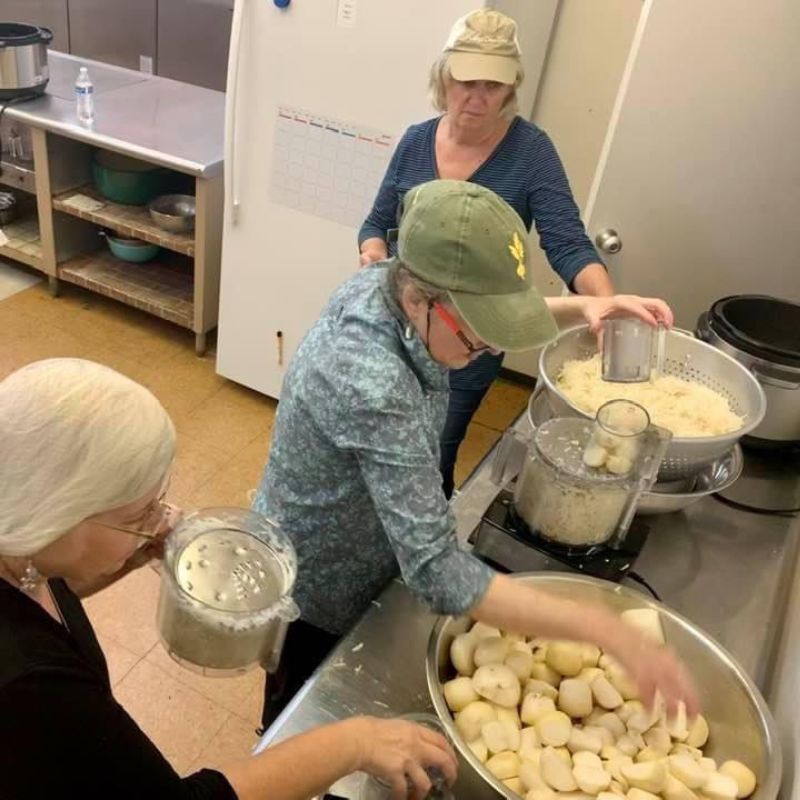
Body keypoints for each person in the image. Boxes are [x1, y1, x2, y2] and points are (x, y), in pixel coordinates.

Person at [255, 179, 689, 731]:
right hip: (321, 573)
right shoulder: (370, 378)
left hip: (376, 537)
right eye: (479, 337)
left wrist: (590, 306)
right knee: (301, 708)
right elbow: (436, 572)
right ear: (418, 299)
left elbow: (486, 312)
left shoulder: (394, 280)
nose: (492, 349)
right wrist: (606, 630)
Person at [0, 358, 457, 800]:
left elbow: (43, 585)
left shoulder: (18, 544)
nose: (162, 521)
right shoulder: (32, 687)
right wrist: (355, 743)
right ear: (52, 518)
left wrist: (132, 555)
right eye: (141, 515)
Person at [359, 9, 616, 498]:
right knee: (383, 455)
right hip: (401, 330)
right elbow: (376, 224)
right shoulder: (416, 140)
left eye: (492, 87)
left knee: (434, 457)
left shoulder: (531, 152)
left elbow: (566, 240)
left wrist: (601, 303)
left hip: (469, 343)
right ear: (444, 77)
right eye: (465, 82)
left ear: (511, 88)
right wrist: (372, 253)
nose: (476, 99)